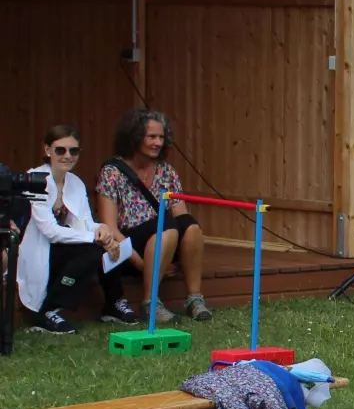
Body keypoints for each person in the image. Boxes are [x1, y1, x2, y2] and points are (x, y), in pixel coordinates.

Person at [16, 125, 137, 334]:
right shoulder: (34, 179)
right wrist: (95, 238)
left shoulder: (75, 182)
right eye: (60, 150)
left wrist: (102, 230)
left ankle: (114, 303)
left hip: (64, 247)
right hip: (38, 250)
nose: (67, 156)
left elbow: (86, 222)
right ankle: (47, 311)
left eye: (74, 151)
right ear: (47, 150)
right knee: (94, 250)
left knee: (108, 246)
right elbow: (50, 231)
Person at [95, 108, 210, 323]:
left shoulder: (167, 172)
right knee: (166, 226)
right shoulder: (113, 171)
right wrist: (141, 264)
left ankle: (194, 299)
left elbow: (181, 217)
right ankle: (150, 303)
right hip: (127, 248)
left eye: (161, 137)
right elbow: (109, 227)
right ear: (135, 138)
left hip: (164, 241)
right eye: (151, 137)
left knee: (190, 226)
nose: (158, 143)